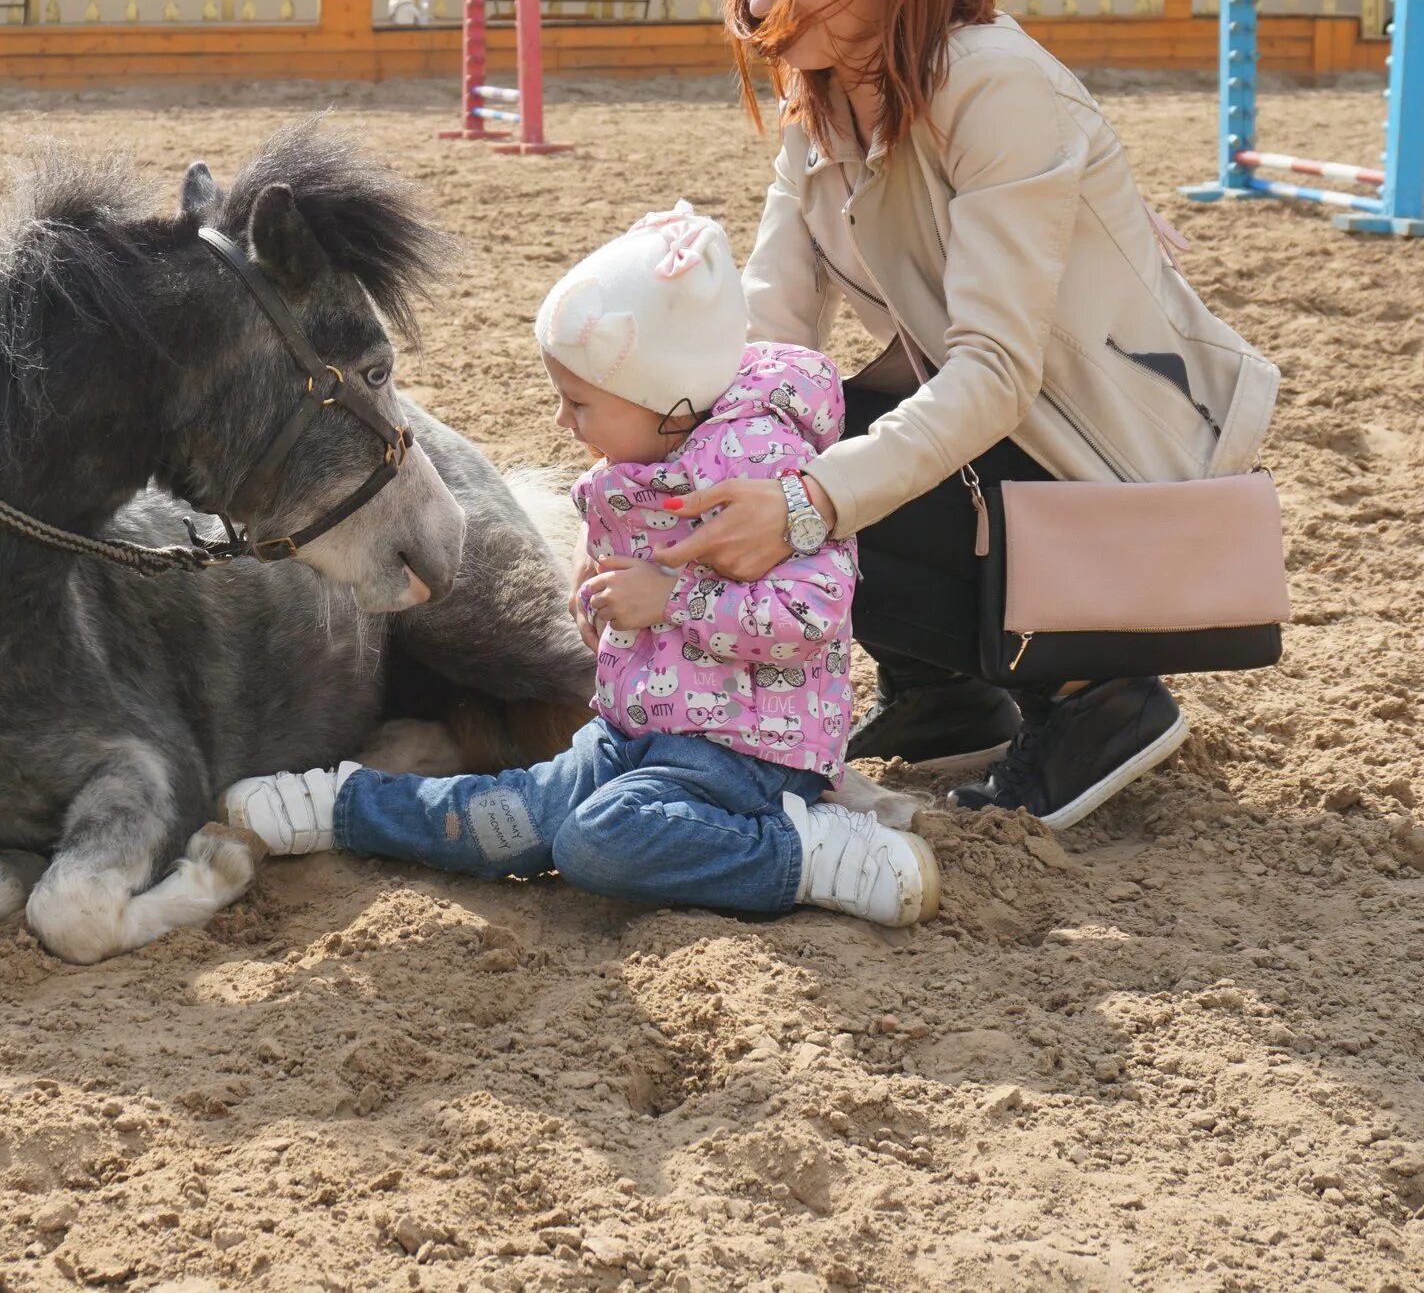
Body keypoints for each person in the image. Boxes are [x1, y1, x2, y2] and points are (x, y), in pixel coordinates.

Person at [637, 0, 1277, 830]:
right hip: (1020, 447)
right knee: (783, 433)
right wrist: (667, 448)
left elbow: (994, 370)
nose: (758, 0)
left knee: (829, 481)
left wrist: (801, 506)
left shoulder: (995, 86)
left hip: (1128, 479)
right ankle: (945, 692)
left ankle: (1095, 696)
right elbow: (771, 326)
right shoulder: (828, 100)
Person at [220, 203, 939, 927]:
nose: (564, 422)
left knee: (598, 843)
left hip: (743, 756)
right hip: (631, 734)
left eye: (579, 402)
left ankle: (805, 852)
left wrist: (671, 602)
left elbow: (811, 615)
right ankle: (345, 807)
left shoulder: (760, 469)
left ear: (664, 396)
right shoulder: (644, 456)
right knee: (505, 821)